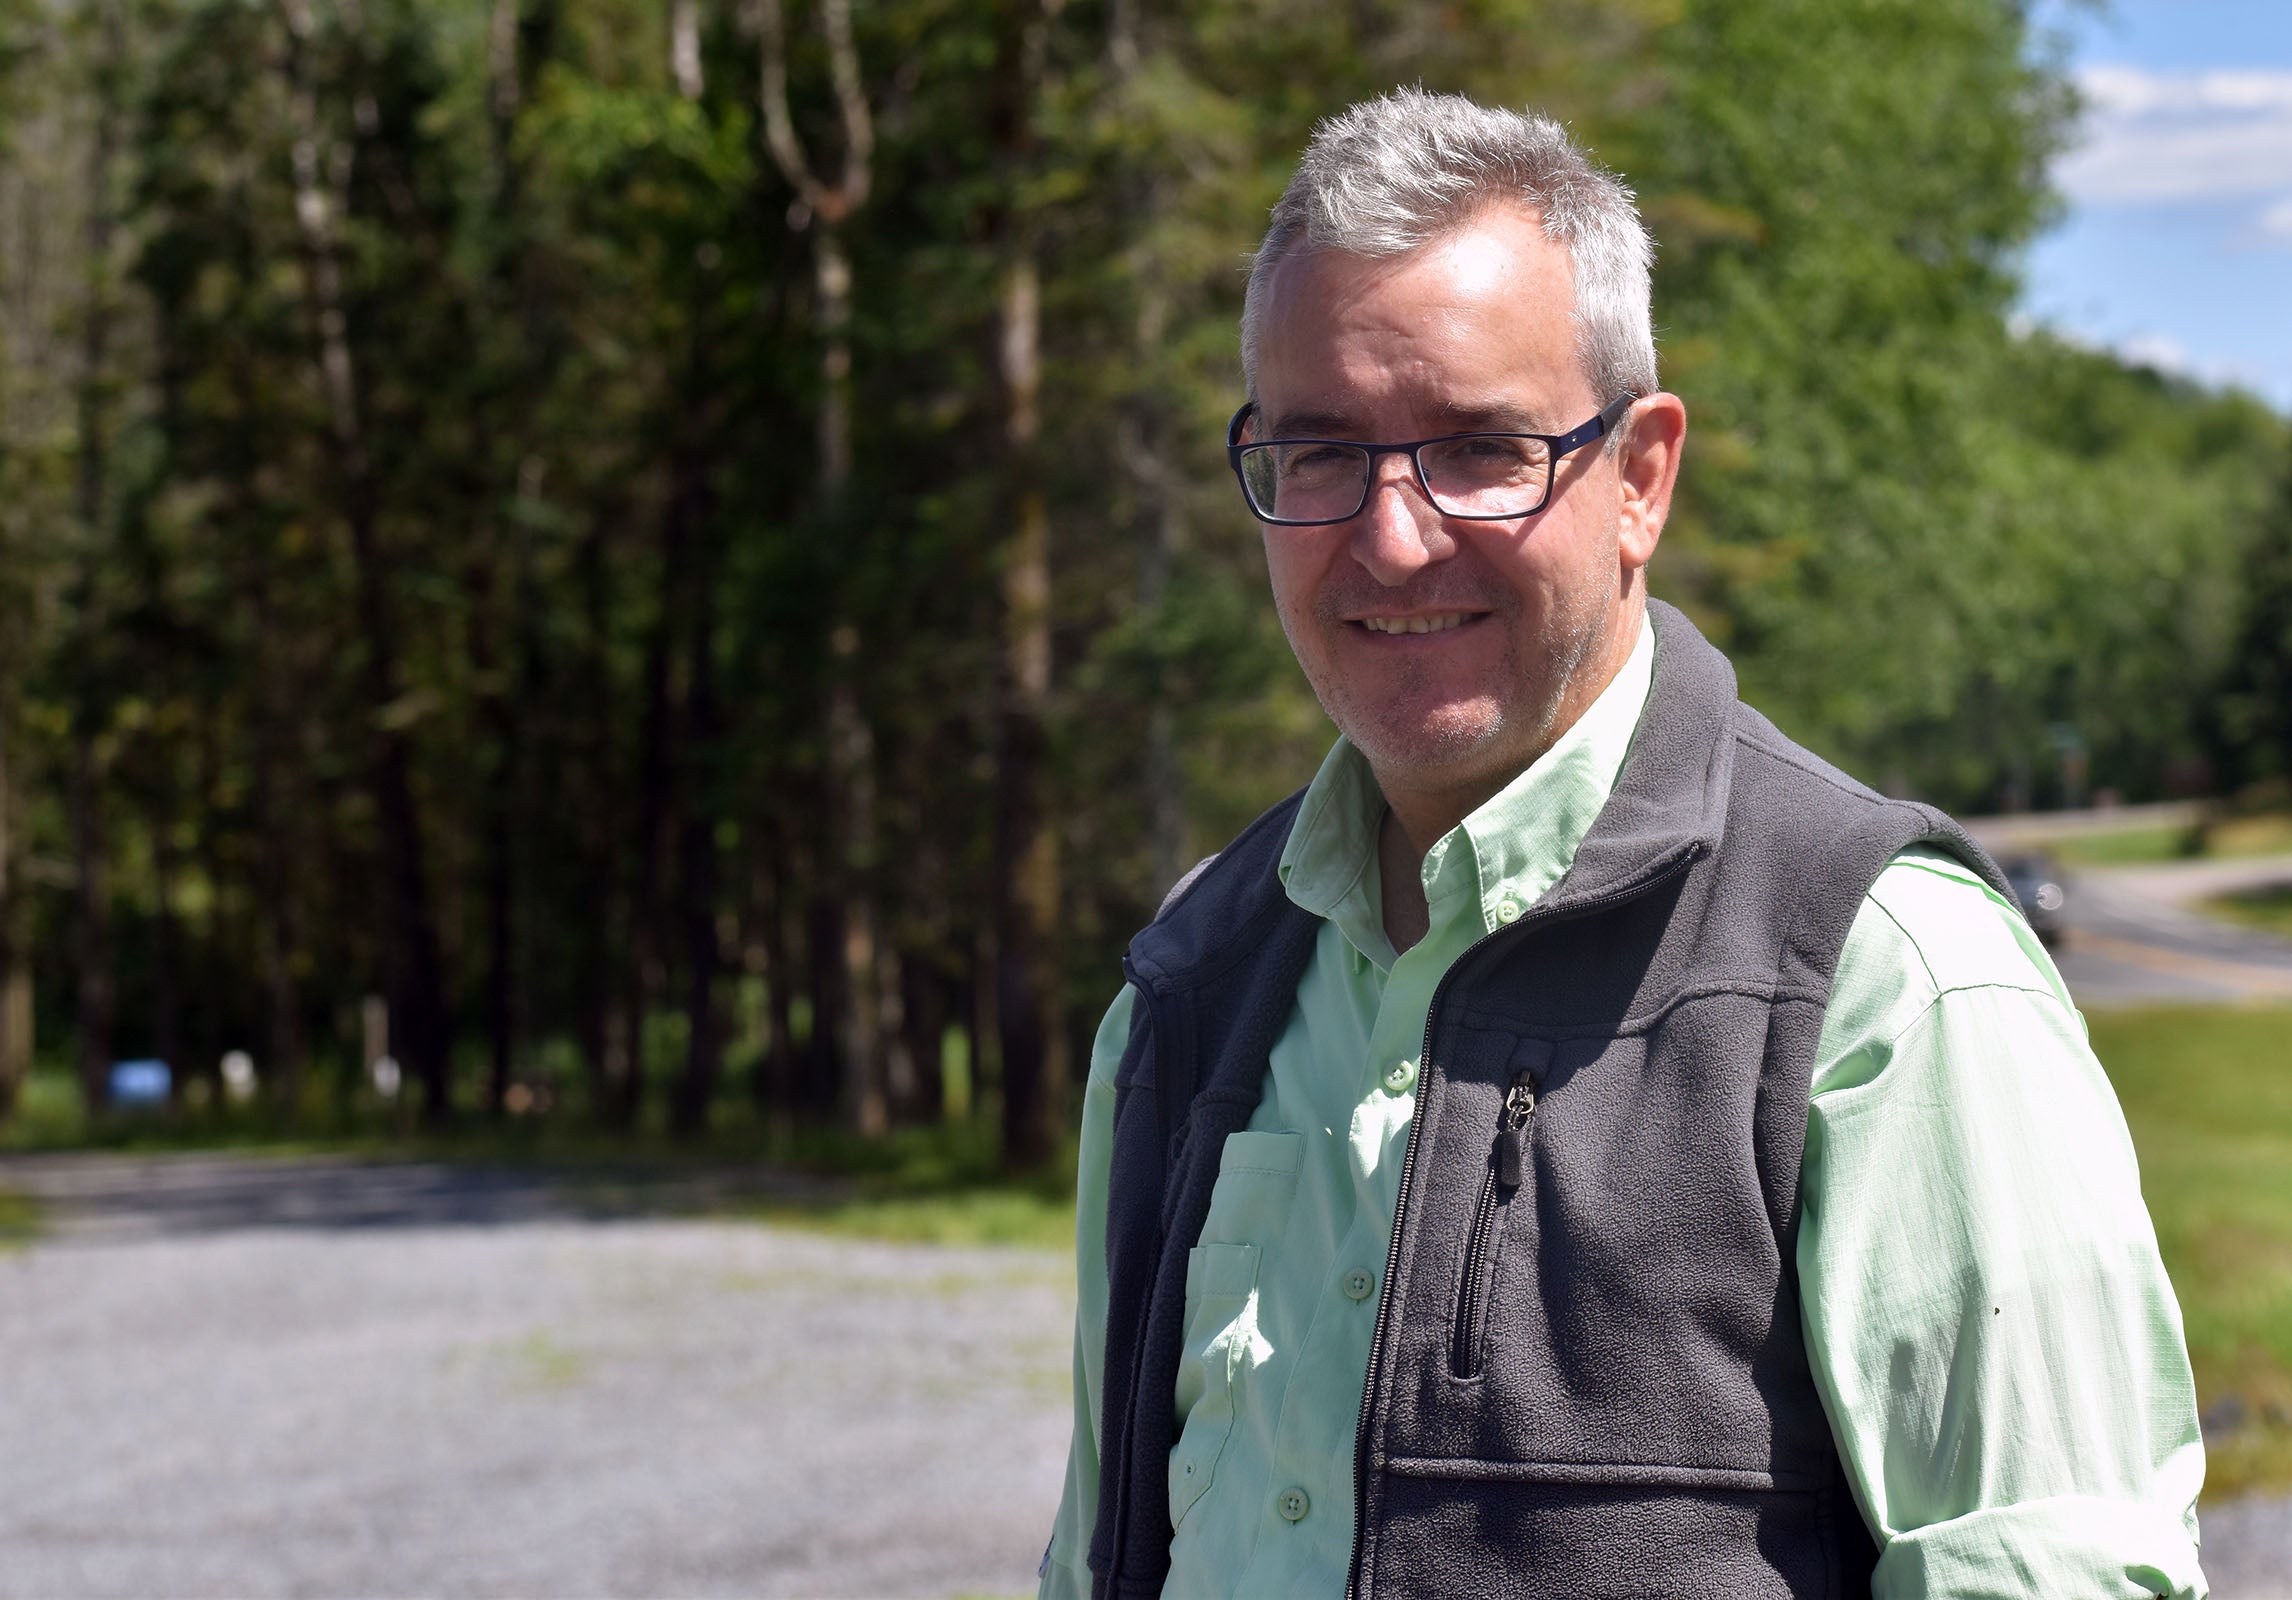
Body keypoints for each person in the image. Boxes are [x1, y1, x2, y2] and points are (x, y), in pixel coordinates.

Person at [1038, 88, 2206, 1599]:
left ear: (1641, 475)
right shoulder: (1184, 996)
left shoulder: (1883, 984)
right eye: (1319, 454)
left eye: (1479, 450)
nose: (1391, 538)